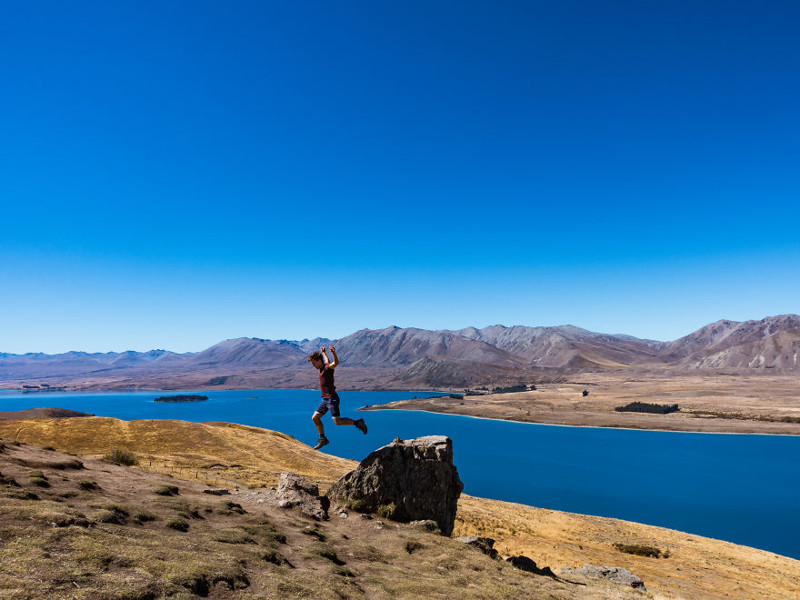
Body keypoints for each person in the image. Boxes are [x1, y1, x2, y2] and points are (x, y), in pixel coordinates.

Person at [308, 345, 367, 450]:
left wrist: (334, 353)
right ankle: (322, 439)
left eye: (313, 363)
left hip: (332, 398)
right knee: (315, 418)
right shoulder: (323, 367)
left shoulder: (327, 368)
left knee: (337, 422)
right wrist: (324, 352)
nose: (313, 365)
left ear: (318, 361)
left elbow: (335, 363)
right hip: (325, 399)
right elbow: (327, 360)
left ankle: (358, 423)